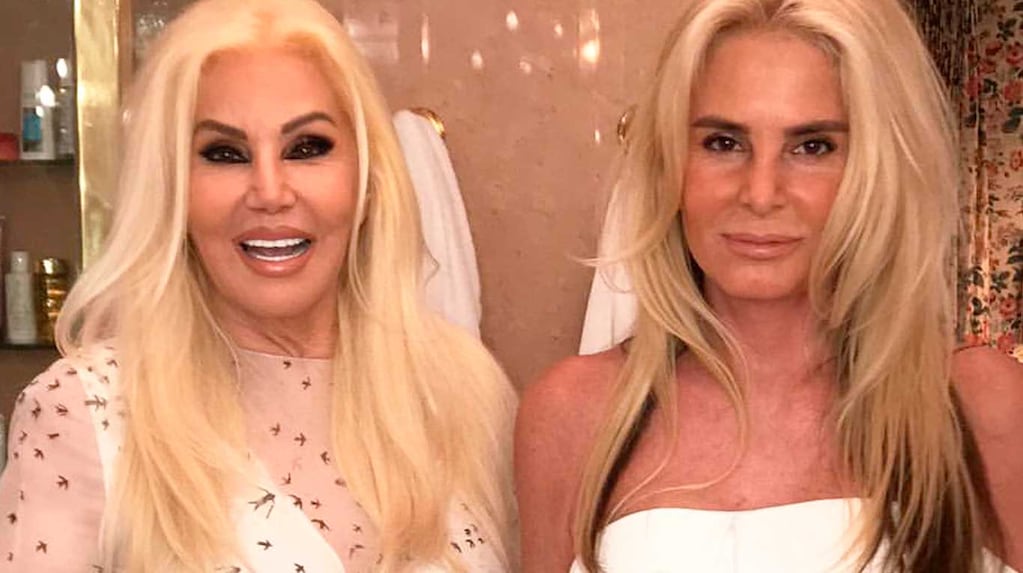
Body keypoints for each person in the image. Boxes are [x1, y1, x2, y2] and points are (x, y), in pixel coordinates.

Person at [0, 0, 516, 570]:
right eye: (225, 154)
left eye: (307, 148)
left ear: (368, 180)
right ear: (172, 190)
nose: (270, 192)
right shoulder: (84, 411)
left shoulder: (461, 391)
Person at [515, 0, 1023, 571]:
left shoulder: (981, 405)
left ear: (881, 167)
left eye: (813, 146)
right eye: (723, 143)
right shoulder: (575, 412)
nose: (760, 194)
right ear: (669, 163)